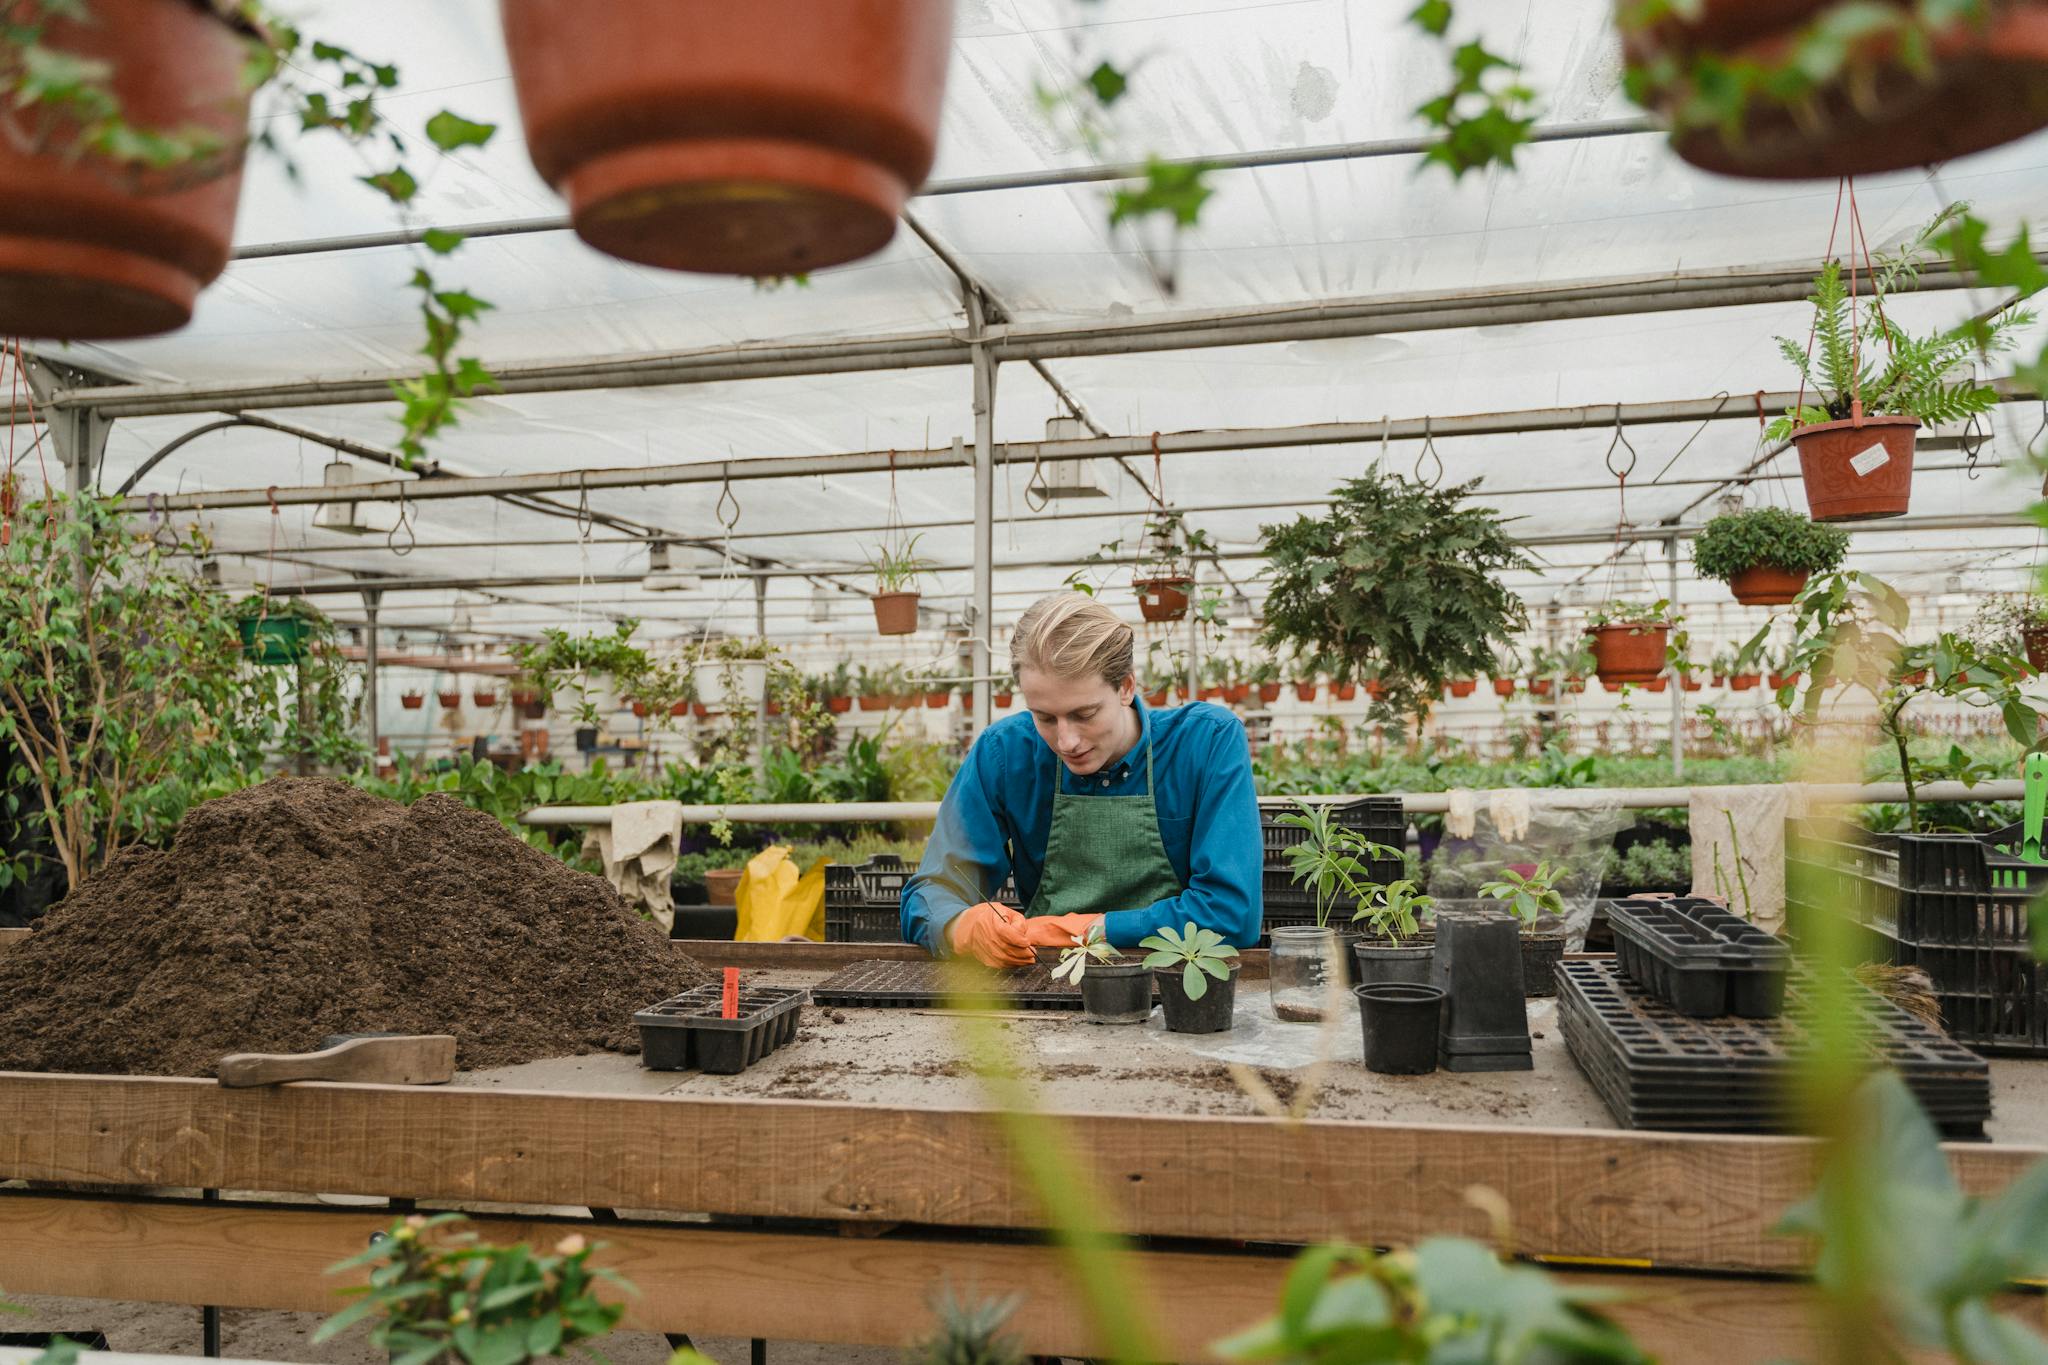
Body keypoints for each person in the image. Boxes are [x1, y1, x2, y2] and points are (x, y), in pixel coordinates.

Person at [900, 592, 1261, 966]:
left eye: (1085, 713)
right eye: (1044, 717)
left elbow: (1232, 914)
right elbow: (930, 891)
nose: (1066, 741)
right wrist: (961, 926)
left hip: (1179, 988)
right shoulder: (1005, 753)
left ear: (1125, 686)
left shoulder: (1205, 743)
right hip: (1047, 984)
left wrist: (1083, 929)